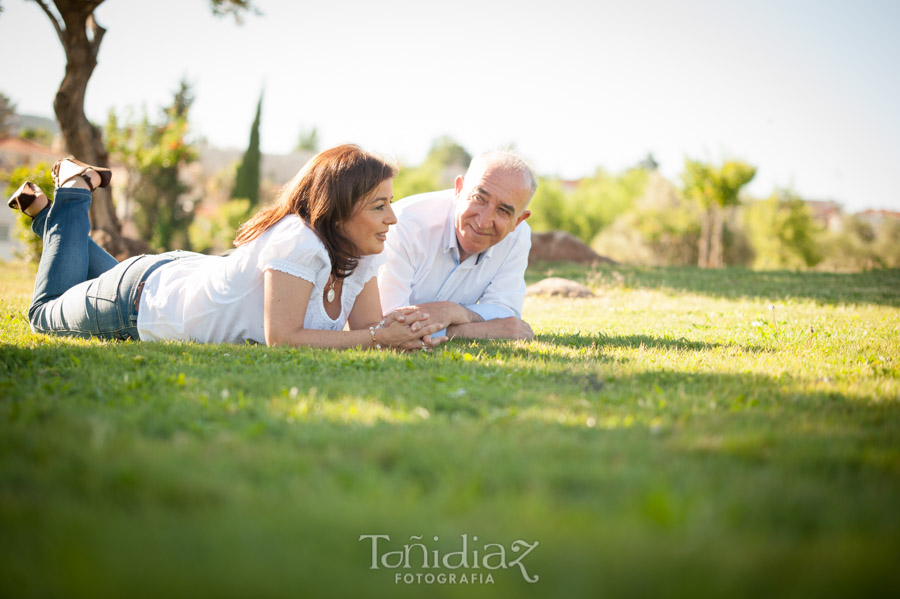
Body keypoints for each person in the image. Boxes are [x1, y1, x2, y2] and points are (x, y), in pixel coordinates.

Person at [7, 145, 448, 351]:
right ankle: (73, 190)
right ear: (338, 209)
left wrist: (401, 332)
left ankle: (51, 219)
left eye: (391, 204)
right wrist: (376, 338)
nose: (393, 218)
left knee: (71, 272)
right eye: (379, 205)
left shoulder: (365, 251)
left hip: (172, 274)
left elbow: (367, 329)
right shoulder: (299, 240)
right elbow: (285, 339)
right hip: (139, 302)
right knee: (44, 314)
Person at [376, 150, 536, 340]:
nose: (484, 221)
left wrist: (456, 312)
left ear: (517, 221)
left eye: (503, 211)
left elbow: (504, 308)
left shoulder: (518, 236)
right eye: (479, 199)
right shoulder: (404, 225)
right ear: (459, 189)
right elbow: (388, 324)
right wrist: (468, 331)